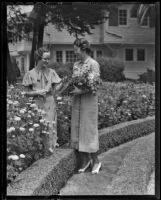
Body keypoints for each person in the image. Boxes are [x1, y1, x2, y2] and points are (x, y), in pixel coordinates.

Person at [70, 38, 102, 174]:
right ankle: (85, 160)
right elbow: (74, 81)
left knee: (88, 130)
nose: (74, 53)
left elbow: (95, 85)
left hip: (89, 102)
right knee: (77, 129)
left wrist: (81, 90)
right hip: (77, 101)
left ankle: (96, 161)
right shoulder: (76, 64)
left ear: (83, 49)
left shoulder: (93, 64)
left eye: (76, 50)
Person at [22, 47, 62, 152]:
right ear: (38, 59)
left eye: (49, 59)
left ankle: (50, 151)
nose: (47, 61)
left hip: (49, 103)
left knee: (50, 127)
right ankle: (38, 152)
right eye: (45, 59)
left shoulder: (52, 72)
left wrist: (54, 88)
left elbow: (58, 85)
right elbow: (25, 93)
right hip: (36, 104)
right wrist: (37, 92)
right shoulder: (30, 74)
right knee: (37, 127)